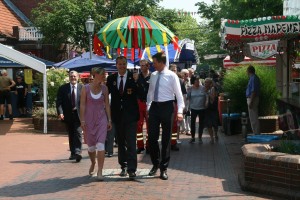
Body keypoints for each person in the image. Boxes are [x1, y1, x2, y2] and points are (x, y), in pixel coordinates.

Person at [147, 52, 184, 180]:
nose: (153, 65)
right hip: (154, 107)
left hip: (167, 107)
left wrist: (180, 111)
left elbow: (179, 96)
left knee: (166, 139)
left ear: (162, 62)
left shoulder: (172, 76)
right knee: (151, 138)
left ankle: (164, 168)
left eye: (155, 62)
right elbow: (150, 93)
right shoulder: (153, 75)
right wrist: (148, 106)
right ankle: (155, 163)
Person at [106, 56, 140, 179]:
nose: (122, 66)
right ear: (116, 65)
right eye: (119, 64)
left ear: (127, 65)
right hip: (117, 116)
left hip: (130, 116)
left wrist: (138, 81)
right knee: (120, 143)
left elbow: (141, 94)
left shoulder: (133, 77)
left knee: (131, 143)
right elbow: (106, 95)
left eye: (124, 64)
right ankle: (123, 166)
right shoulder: (111, 79)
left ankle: (132, 169)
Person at [80, 67, 112, 181]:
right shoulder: (86, 88)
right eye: (103, 75)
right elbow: (82, 105)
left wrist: (109, 120)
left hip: (101, 119)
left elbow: (107, 105)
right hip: (89, 120)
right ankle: (93, 162)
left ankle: (100, 171)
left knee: (101, 145)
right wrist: (82, 120)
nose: (104, 77)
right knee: (91, 147)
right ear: (96, 75)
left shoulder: (105, 88)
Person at [56, 70, 83, 162]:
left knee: (78, 132)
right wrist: (60, 112)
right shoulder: (63, 88)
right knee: (71, 134)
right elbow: (59, 102)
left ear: (78, 77)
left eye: (75, 76)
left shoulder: (82, 88)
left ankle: (78, 152)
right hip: (68, 114)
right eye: (71, 76)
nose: (73, 78)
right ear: (69, 77)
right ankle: (72, 153)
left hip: (79, 114)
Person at [135, 59, 151, 154]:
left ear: (148, 66)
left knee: (150, 126)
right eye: (140, 65)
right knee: (138, 125)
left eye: (143, 65)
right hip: (139, 103)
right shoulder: (137, 77)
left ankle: (149, 145)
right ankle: (140, 146)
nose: (142, 67)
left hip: (149, 103)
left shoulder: (152, 76)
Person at [169, 64, 186, 151]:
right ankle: (167, 143)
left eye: (175, 70)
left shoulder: (180, 81)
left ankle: (173, 143)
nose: (173, 72)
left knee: (175, 125)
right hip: (167, 104)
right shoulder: (165, 80)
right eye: (172, 70)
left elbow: (183, 95)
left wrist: (183, 107)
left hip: (176, 104)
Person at [187, 75, 208, 144]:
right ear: (193, 81)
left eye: (198, 80)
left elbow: (206, 96)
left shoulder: (203, 88)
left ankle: (200, 138)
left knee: (201, 124)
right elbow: (187, 97)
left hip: (202, 108)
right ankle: (193, 137)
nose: (198, 82)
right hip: (193, 108)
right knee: (192, 123)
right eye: (196, 80)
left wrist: (206, 102)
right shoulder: (190, 88)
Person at [246, 65, 260, 134]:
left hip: (252, 99)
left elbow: (253, 91)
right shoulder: (254, 77)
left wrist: (251, 101)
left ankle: (256, 133)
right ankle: (255, 132)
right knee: (253, 117)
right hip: (252, 98)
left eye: (247, 71)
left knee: (253, 117)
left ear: (249, 71)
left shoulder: (253, 78)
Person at [204, 78, 218, 144]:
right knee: (209, 124)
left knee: (215, 124)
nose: (205, 84)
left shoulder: (213, 89)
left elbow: (213, 98)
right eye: (205, 82)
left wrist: (207, 92)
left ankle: (216, 134)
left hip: (213, 108)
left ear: (210, 83)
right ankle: (212, 138)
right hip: (207, 109)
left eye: (207, 82)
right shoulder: (203, 89)